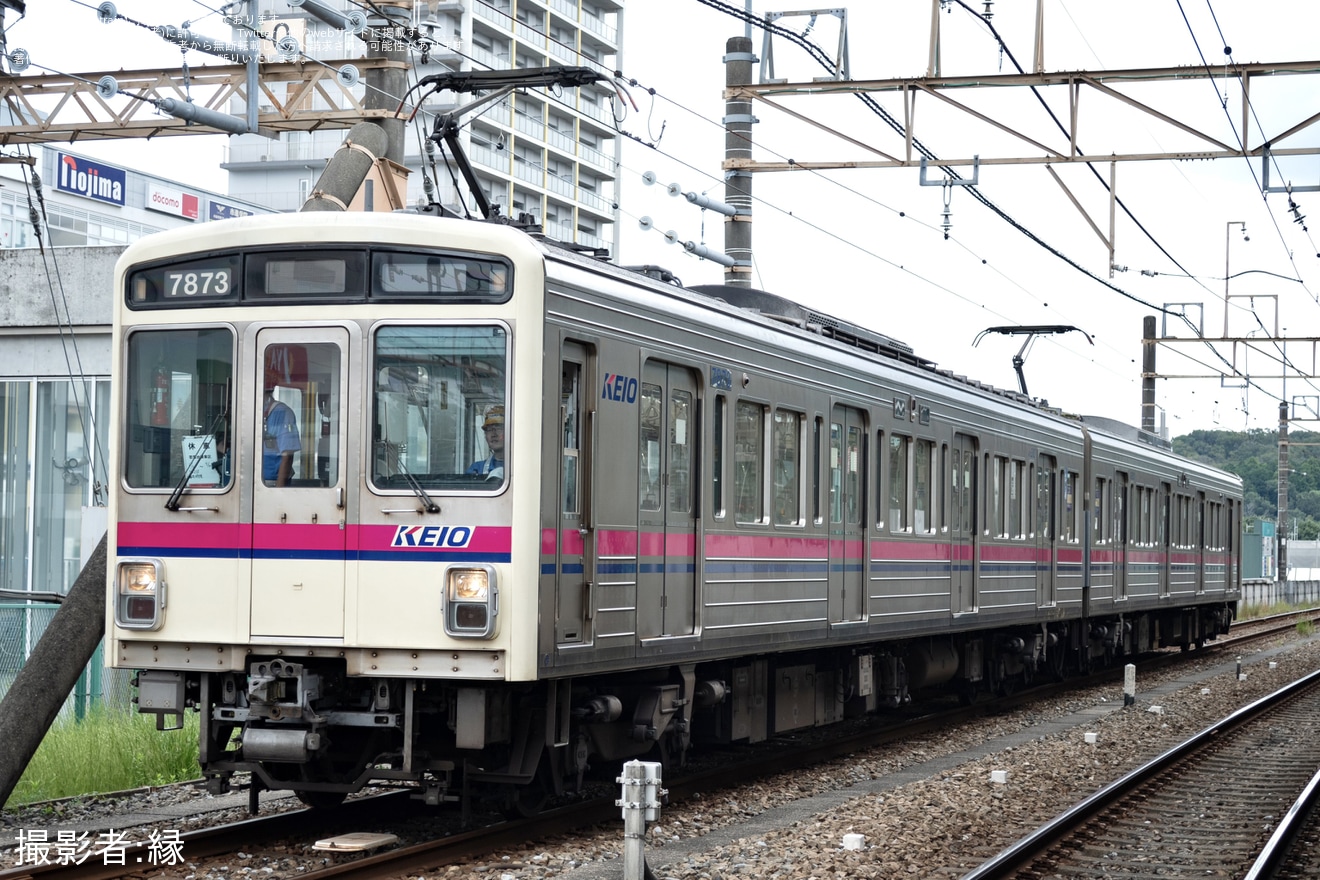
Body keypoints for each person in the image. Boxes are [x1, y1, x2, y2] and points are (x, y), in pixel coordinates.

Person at [263, 388, 300, 486]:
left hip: (272, 484)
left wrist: (279, 491)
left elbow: (287, 456)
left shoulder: (283, 412)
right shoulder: (253, 412)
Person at [467, 405, 505, 479]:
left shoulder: (524, 467)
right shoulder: (476, 469)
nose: (494, 434)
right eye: (489, 429)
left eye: (499, 428)